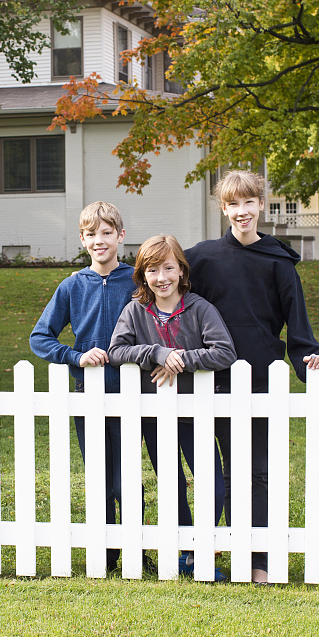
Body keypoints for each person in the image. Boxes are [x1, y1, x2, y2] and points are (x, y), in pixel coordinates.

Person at [184, 170, 319, 584]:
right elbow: (164, 284)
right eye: (233, 204)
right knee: (217, 472)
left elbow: (297, 323)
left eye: (250, 202)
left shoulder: (279, 262)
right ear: (223, 208)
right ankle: (212, 553)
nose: (242, 212)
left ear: (262, 204)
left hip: (262, 379)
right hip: (210, 379)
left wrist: (308, 359)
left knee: (256, 472)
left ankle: (257, 561)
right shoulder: (204, 257)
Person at [29, 201, 155, 573]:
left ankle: (135, 549)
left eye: (106, 232)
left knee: (128, 477)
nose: (99, 240)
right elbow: (40, 337)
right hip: (89, 394)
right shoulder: (72, 286)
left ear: (120, 235)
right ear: (82, 239)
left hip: (133, 392)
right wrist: (75, 357)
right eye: (91, 234)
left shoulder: (137, 281)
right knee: (99, 475)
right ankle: (104, 552)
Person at [108, 234, 236, 580]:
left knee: (212, 482)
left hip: (195, 412)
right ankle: (186, 553)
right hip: (155, 415)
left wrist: (182, 359)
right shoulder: (136, 311)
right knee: (172, 483)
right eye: (152, 270)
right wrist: (156, 353)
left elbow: (224, 352)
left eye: (168, 268)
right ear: (143, 274)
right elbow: (117, 351)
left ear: (181, 270)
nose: (161, 277)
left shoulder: (199, 308)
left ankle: (202, 545)